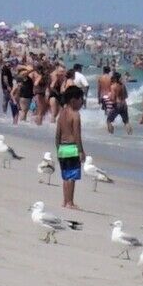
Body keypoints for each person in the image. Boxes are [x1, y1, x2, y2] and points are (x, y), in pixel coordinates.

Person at [50, 72, 90, 212]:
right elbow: (77, 135)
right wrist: (81, 151)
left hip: (62, 147)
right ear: (74, 100)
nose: (82, 103)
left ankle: (64, 200)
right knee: (72, 177)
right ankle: (70, 202)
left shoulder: (62, 113)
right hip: (72, 147)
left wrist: (57, 148)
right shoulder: (75, 115)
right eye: (81, 100)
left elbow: (58, 133)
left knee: (65, 176)